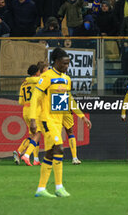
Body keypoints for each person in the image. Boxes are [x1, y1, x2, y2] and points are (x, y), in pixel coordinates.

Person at [29, 47, 91, 197]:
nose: (66, 66)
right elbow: (35, 97)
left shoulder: (66, 79)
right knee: (58, 148)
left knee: (52, 152)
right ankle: (58, 187)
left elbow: (68, 99)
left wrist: (82, 116)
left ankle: (42, 189)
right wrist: (32, 119)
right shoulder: (47, 77)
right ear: (56, 62)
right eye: (64, 63)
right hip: (46, 119)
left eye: (68, 64)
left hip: (58, 120)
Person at [13, 64, 43, 166]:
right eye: (39, 71)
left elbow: (20, 101)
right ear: (37, 73)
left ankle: (19, 151)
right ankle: (26, 155)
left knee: (32, 135)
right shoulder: (39, 81)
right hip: (35, 110)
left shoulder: (23, 84)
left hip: (25, 110)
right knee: (38, 134)